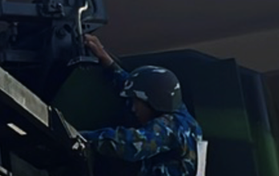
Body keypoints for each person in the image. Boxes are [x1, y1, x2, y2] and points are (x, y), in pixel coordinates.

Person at [79, 34, 204, 176]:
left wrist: (80, 137)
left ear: (152, 104)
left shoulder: (172, 127)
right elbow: (142, 87)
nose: (133, 109)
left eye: (136, 104)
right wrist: (106, 60)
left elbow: (129, 144)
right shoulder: (172, 104)